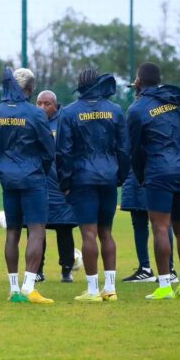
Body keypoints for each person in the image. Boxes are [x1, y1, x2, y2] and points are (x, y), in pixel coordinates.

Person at [127, 62, 180, 300]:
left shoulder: (137, 108)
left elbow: (133, 149)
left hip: (158, 172)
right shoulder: (179, 100)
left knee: (160, 228)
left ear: (139, 81)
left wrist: (141, 175)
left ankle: (164, 286)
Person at [56, 70, 129, 302]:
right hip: (108, 177)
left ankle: (92, 290)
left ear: (79, 85)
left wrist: (65, 182)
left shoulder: (68, 112)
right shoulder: (115, 110)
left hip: (81, 179)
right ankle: (110, 289)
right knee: (106, 232)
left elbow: (63, 151)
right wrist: (121, 176)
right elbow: (124, 148)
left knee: (88, 233)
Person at [0, 67, 55, 304]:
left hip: (8, 179)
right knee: (36, 230)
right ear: (30, 89)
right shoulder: (35, 114)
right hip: (33, 178)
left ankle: (13, 288)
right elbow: (49, 150)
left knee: (12, 232)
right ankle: (29, 287)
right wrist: (42, 171)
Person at [35, 90, 76, 283]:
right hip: (37, 183)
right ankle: (37, 270)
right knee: (36, 229)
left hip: (61, 184)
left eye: (47, 104)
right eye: (39, 103)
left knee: (64, 228)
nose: (42, 108)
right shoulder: (33, 120)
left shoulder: (65, 121)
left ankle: (66, 270)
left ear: (56, 105)